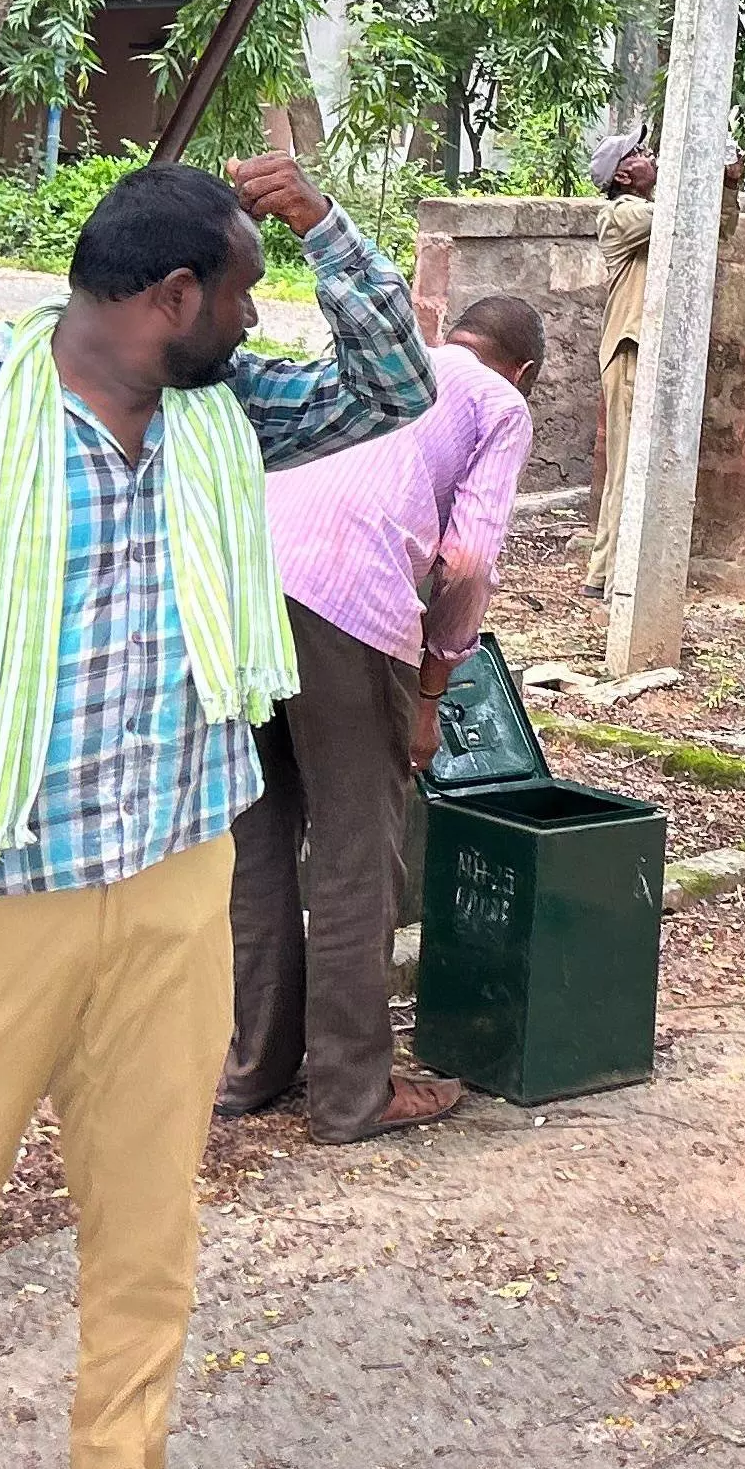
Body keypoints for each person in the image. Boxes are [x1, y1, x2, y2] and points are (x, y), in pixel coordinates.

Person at [0, 155, 434, 1469]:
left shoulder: (225, 412)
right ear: (172, 295)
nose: (260, 324)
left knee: (149, 1236)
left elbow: (395, 387)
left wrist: (323, 227)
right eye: (247, 295)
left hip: (173, 887)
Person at [219, 294, 542, 1144]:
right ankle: (351, 1094)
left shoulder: (381, 362)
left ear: (447, 337)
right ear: (527, 370)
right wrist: (433, 689)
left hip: (248, 591)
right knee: (357, 856)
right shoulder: (500, 403)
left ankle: (254, 1068)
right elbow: (469, 558)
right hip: (350, 607)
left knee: (257, 840)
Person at [583, 130, 741, 599]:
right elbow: (683, 213)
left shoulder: (643, 213)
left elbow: (716, 226)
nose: (650, 156)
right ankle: (609, 574)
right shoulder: (621, 215)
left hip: (647, 349)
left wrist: (728, 185)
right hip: (629, 348)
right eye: (640, 153)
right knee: (627, 465)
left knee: (637, 464)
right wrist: (710, 170)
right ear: (625, 175)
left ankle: (607, 572)